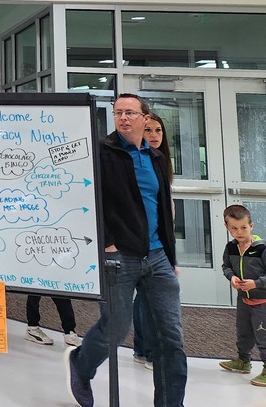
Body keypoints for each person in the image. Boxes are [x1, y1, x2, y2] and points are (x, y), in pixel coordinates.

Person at [66, 94, 186, 407]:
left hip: (158, 256)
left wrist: (171, 257)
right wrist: (107, 242)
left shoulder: (156, 157)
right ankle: (81, 363)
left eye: (130, 113)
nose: (123, 118)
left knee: (171, 338)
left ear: (146, 118)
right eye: (119, 112)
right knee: (116, 328)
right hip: (119, 257)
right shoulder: (103, 152)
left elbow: (161, 210)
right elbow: (85, 197)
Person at [218, 203, 266, 388]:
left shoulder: (262, 249)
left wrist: (256, 283)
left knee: (263, 335)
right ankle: (243, 361)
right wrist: (232, 277)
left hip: (262, 300)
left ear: (251, 226)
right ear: (227, 227)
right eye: (234, 228)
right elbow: (226, 267)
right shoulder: (230, 248)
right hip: (243, 299)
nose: (239, 232)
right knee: (243, 331)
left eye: (244, 227)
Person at [132, 111, 175, 370]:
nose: (154, 136)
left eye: (158, 131)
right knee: (146, 299)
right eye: (149, 131)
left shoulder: (161, 160)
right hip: (141, 241)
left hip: (159, 240)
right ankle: (147, 350)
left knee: (145, 298)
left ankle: (142, 348)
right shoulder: (138, 161)